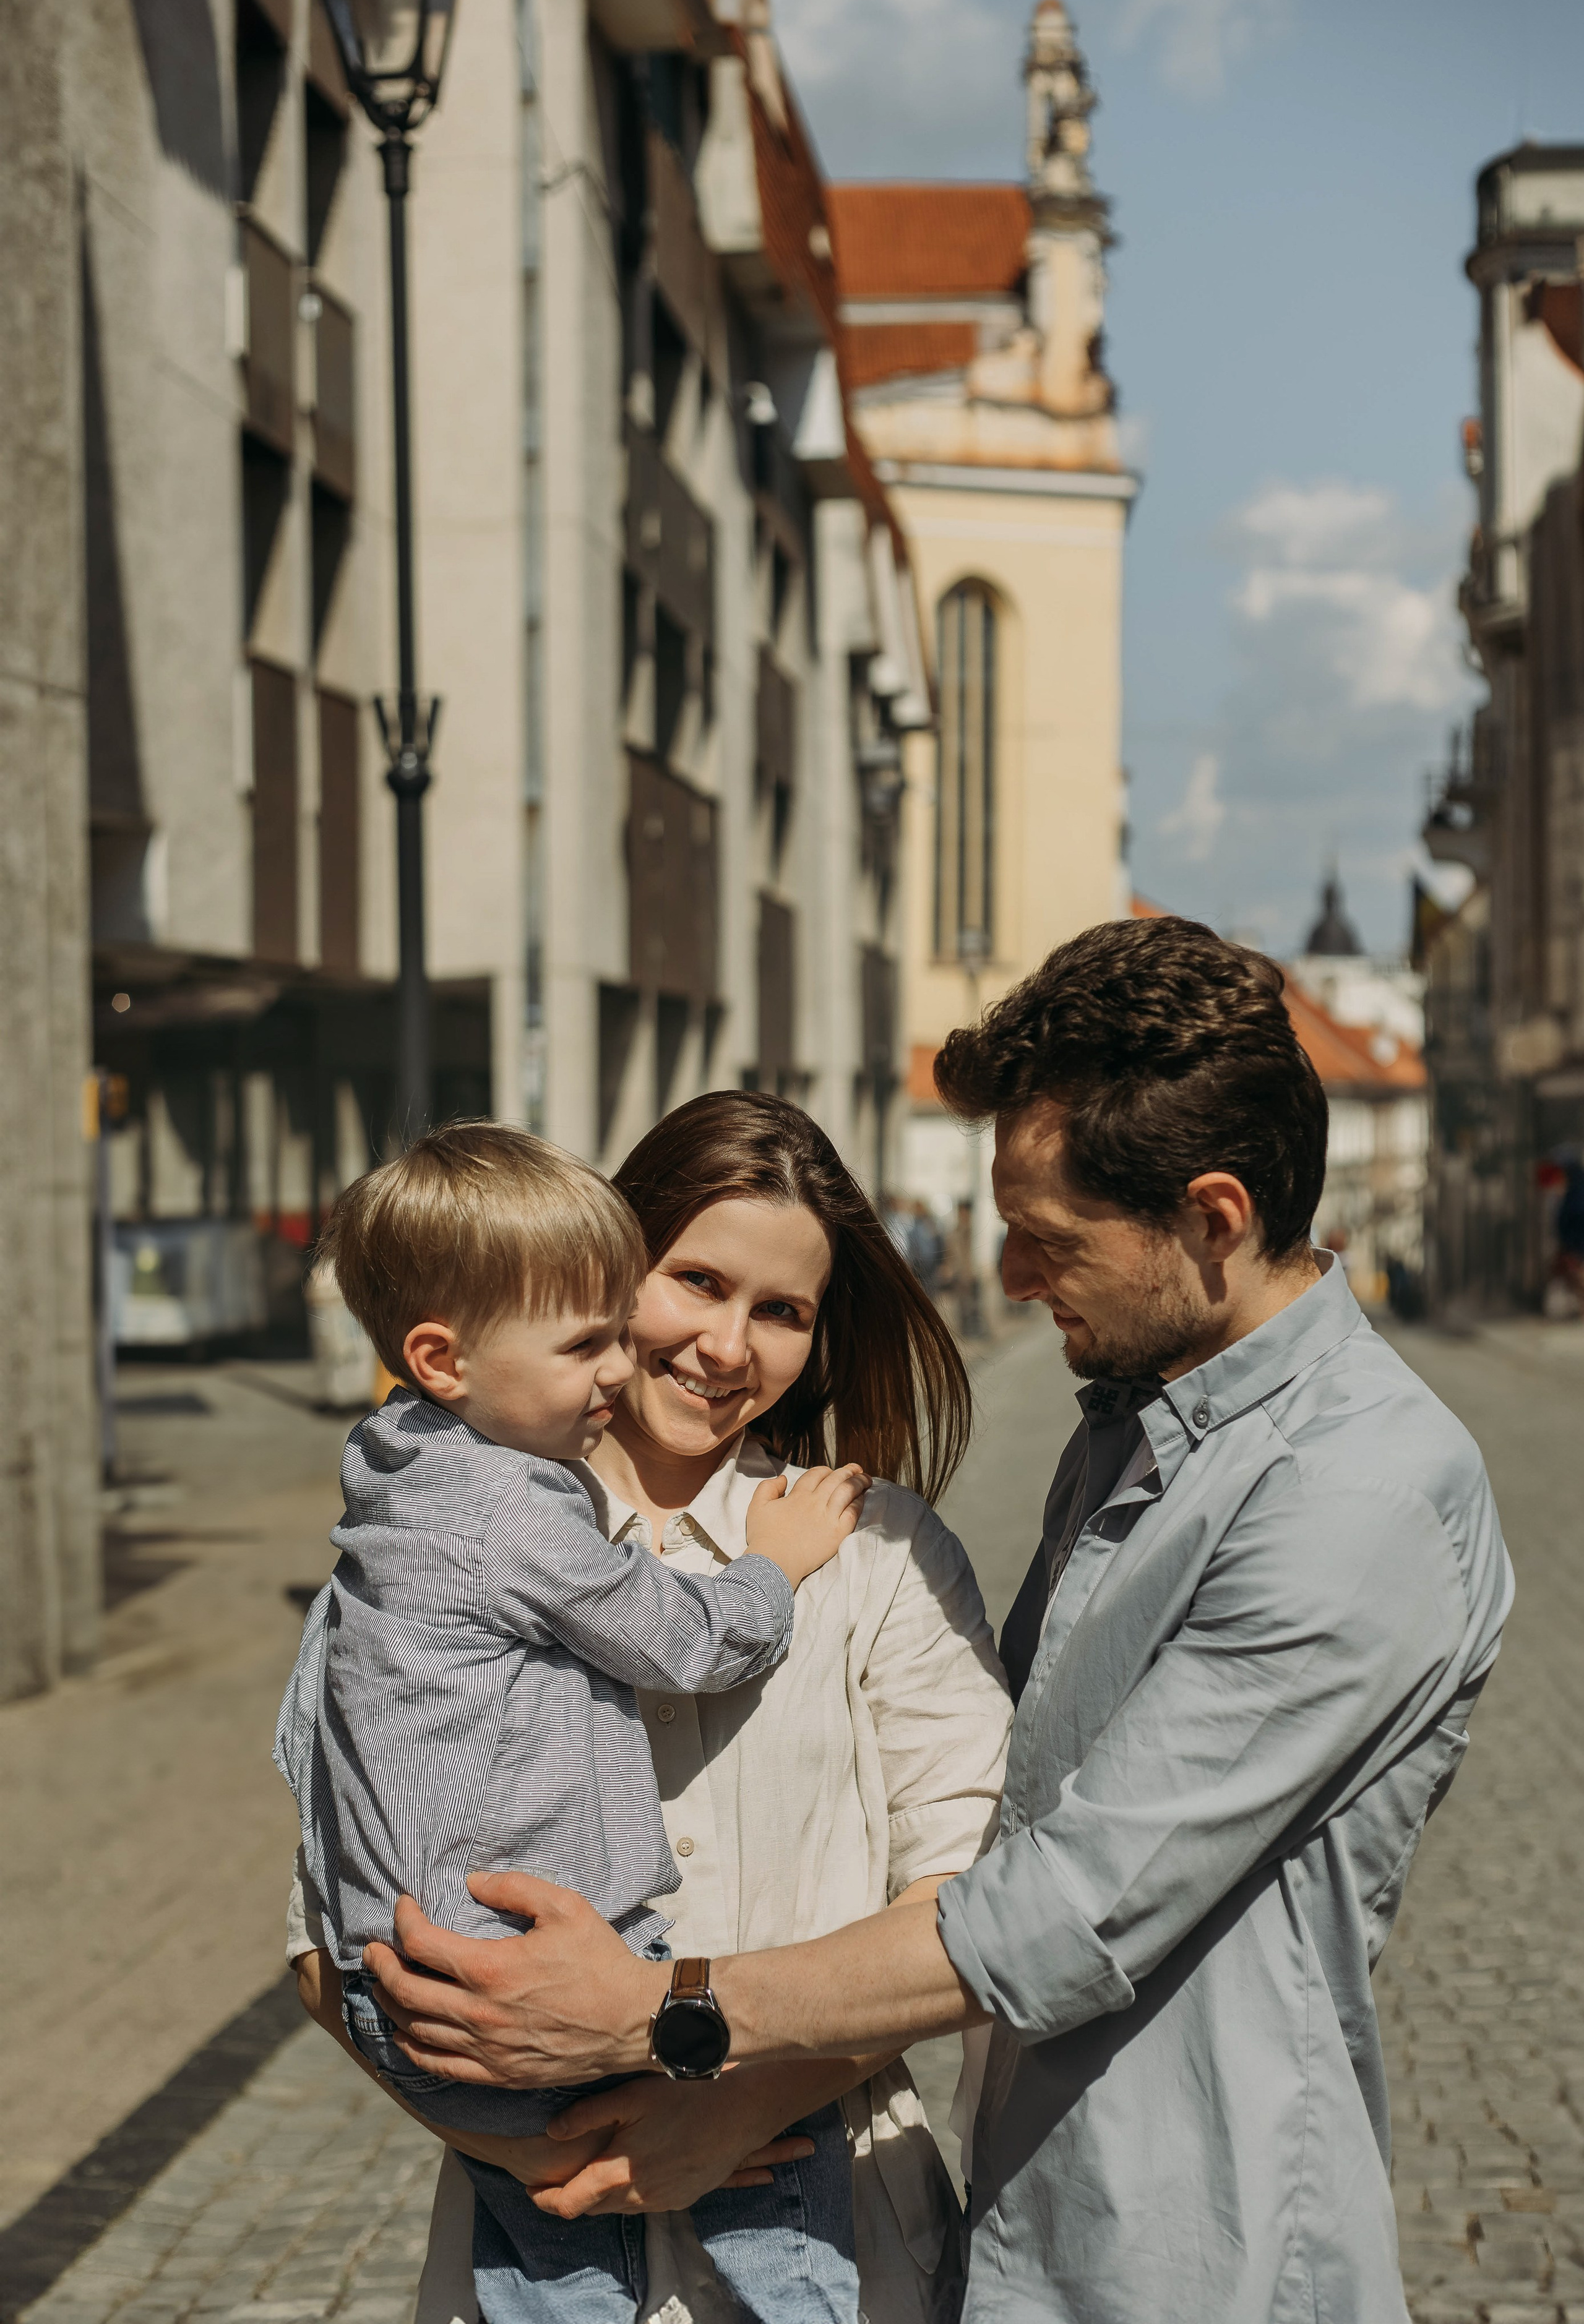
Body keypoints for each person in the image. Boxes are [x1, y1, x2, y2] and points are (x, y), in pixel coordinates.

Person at [359, 920, 1515, 2324]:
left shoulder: (1357, 1490)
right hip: (1020, 2233)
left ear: (1210, 1218)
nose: (1014, 1284)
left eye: (1045, 1239)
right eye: (694, 1282)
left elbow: (1048, 1905)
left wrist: (658, 2022)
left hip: (1195, 2252)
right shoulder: (1128, 1439)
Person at [290, 1092, 1013, 2324]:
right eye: (696, 1280)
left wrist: (724, 2099)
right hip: (534, 2242)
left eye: (779, 1310)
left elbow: (976, 1919)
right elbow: (324, 1929)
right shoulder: (426, 1547)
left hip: (835, 2228)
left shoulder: (877, 1554)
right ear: (609, 1270)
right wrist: (510, 2143)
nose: (728, 1344)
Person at [275, 1123, 865, 2167]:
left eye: (780, 1311)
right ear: (441, 1358)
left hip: (406, 1979)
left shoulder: (392, 1480)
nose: (619, 1365)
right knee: (773, 2208)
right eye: (586, 1342)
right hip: (499, 1982)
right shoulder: (513, 1516)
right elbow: (685, 1638)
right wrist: (773, 1564)